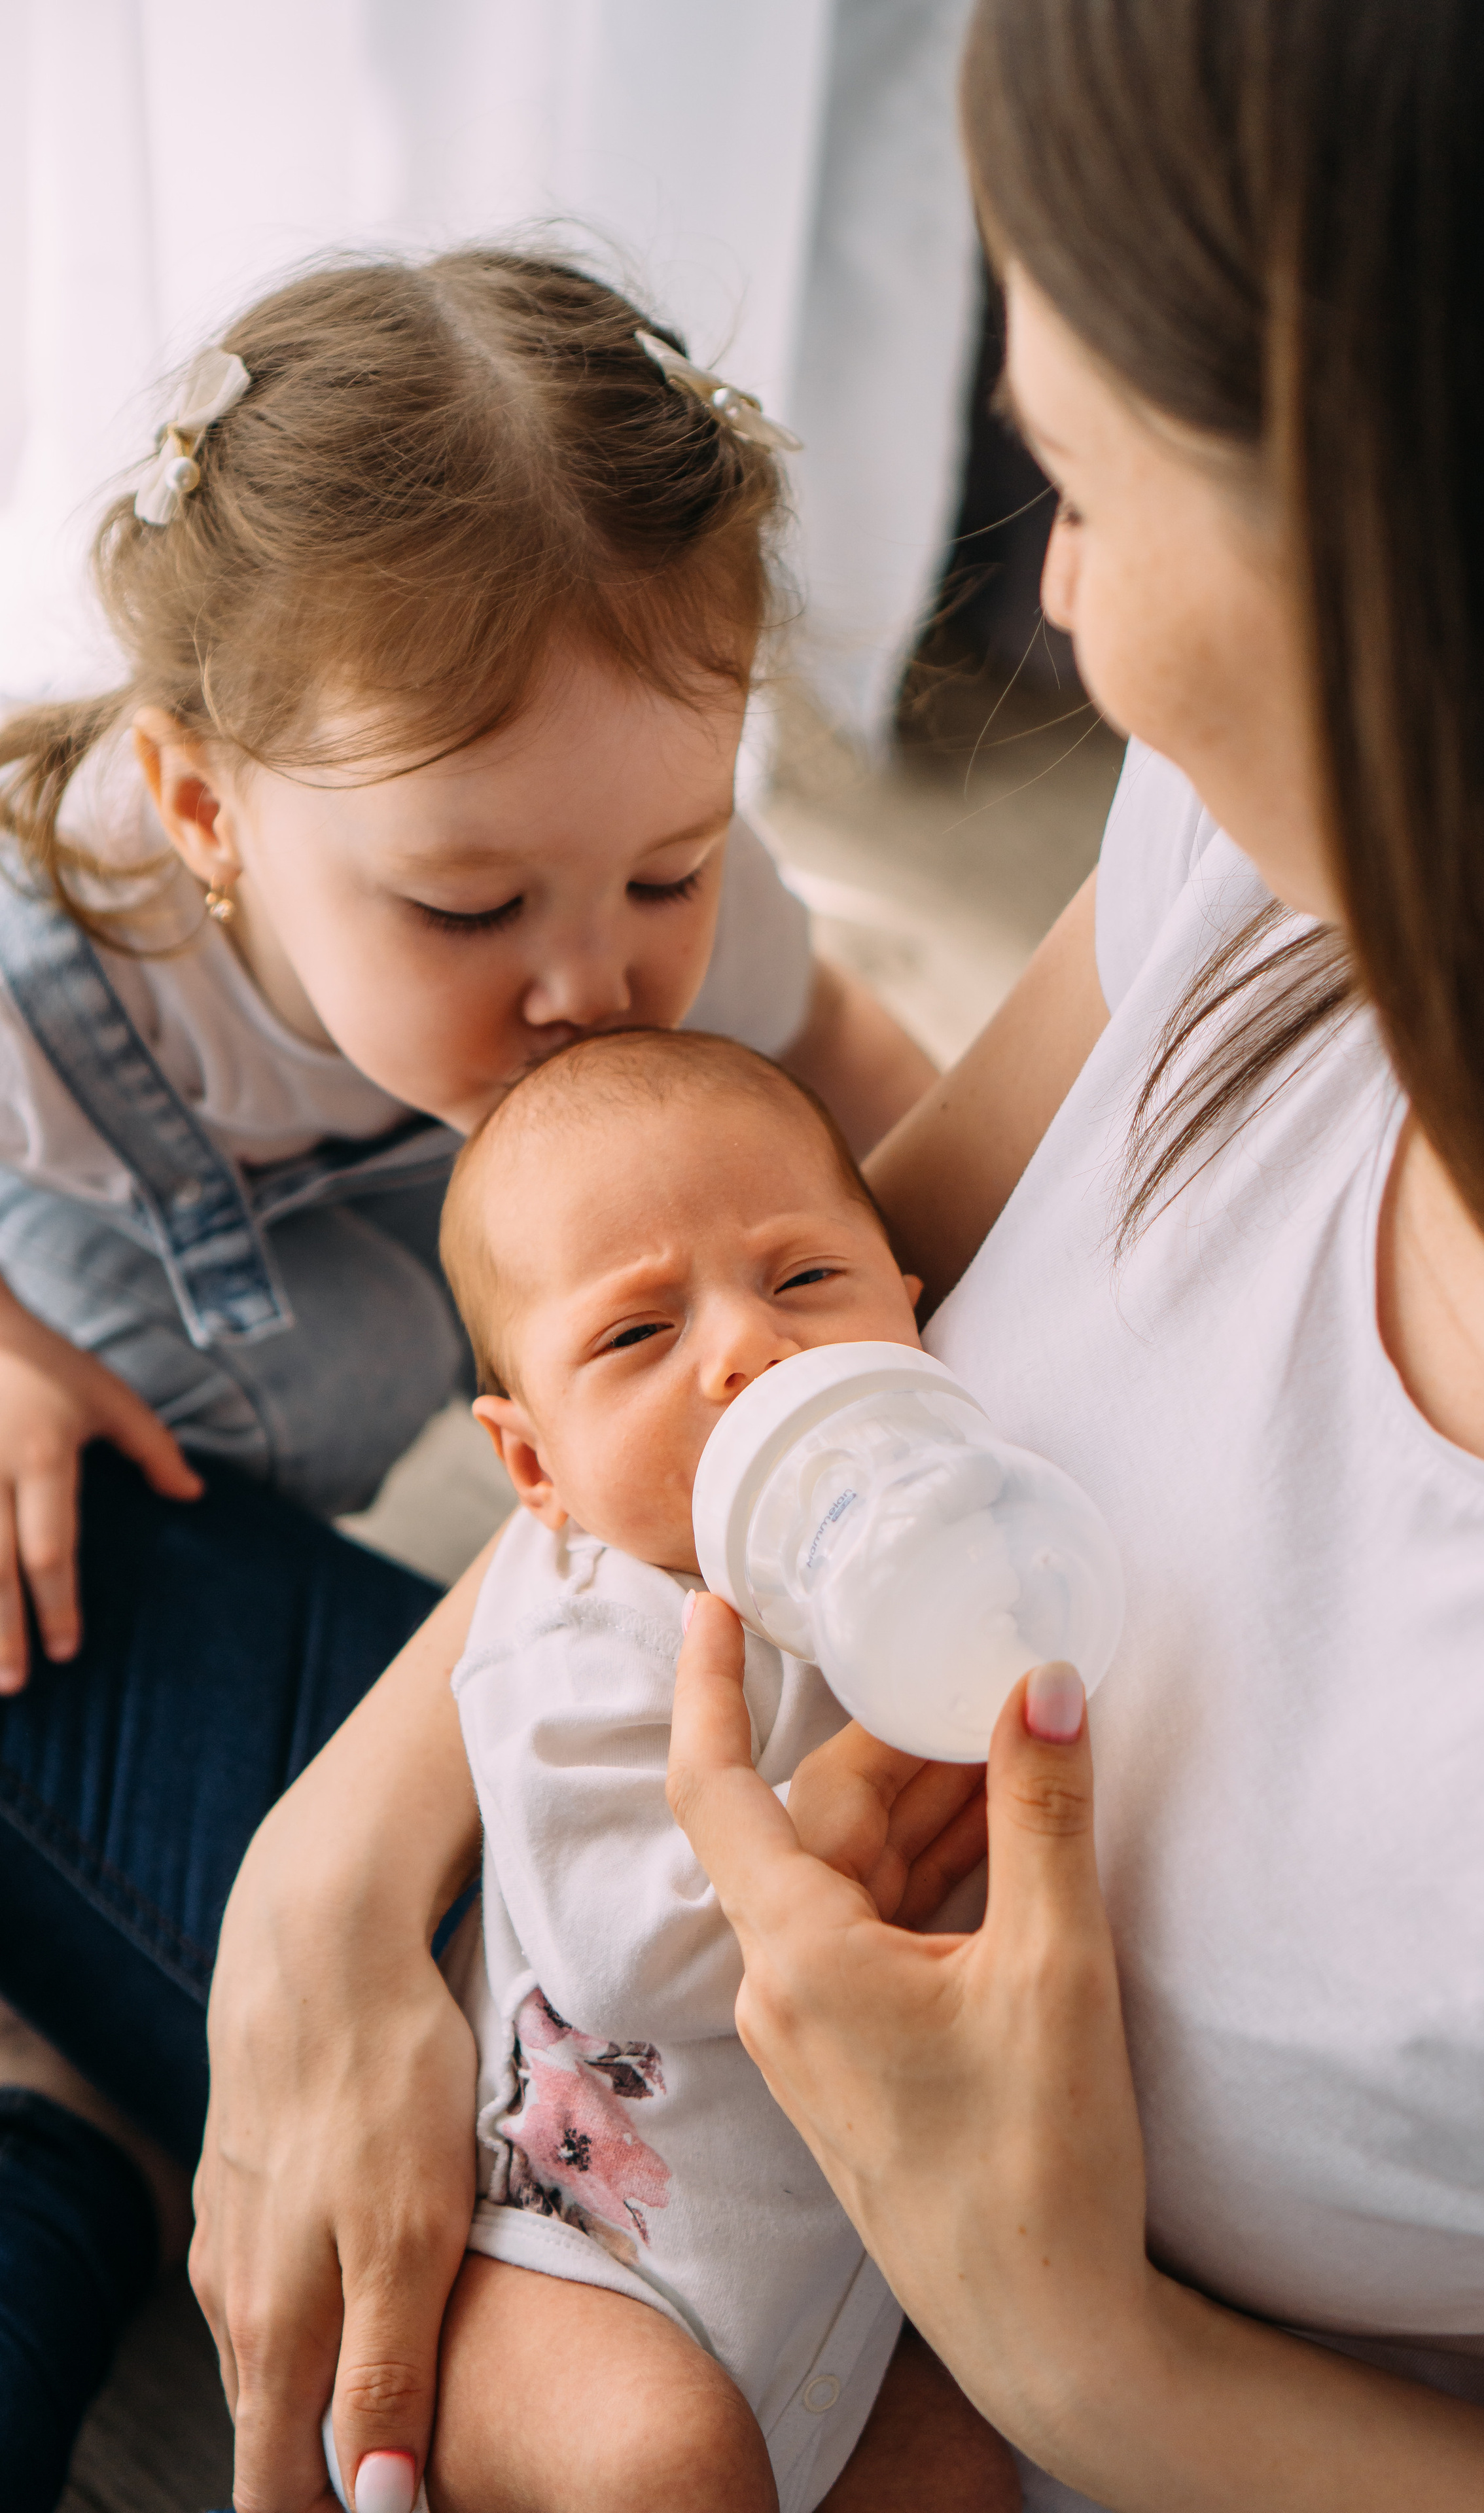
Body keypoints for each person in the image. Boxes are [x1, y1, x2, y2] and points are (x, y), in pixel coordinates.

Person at [186, 0, 1484, 2508]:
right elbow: (768, 1305)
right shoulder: (1273, 852)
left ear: (1436, 572)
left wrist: (1093, 2364)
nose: (1060, 610)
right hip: (634, 2003)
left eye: (1075, 485)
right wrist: (341, 1866)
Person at [0, 243, 934, 2508]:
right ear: (206, 811)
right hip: (136, 1327)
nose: (591, 983)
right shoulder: (55, 958)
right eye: (466, 910)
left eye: (668, 869)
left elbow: (898, 1131)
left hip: (455, 1317)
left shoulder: (649, 928)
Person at [342, 1026, 1010, 2513]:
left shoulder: (951, 1540)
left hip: (848, 2295)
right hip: (579, 2265)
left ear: (910, 1310)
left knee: (965, 2475)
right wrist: (828, 1819)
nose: (743, 1350)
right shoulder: (575, 1639)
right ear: (535, 1471)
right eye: (637, 1336)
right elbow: (625, 1961)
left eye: (804, 1280)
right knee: (668, 2465)